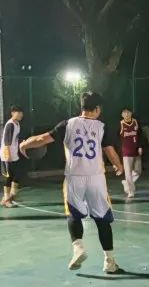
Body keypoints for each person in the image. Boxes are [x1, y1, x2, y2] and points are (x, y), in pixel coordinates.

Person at [19, 92, 125, 272]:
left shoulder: (67, 124)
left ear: (82, 107)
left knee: (74, 214)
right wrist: (119, 165)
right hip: (96, 178)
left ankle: (78, 247)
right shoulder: (101, 127)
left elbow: (42, 139)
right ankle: (109, 261)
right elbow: (109, 150)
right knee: (102, 219)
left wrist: (25, 144)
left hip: (75, 177)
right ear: (97, 109)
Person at [0, 105, 24, 207]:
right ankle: (6, 200)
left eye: (21, 113)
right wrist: (8, 156)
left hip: (14, 154)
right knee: (9, 177)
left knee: (16, 175)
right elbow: (7, 142)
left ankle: (10, 197)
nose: (21, 115)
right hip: (7, 155)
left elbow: (15, 140)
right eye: (19, 113)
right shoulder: (10, 125)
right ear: (13, 113)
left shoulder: (17, 124)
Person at [119, 107, 143, 199]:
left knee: (138, 171)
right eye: (124, 112)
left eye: (128, 112)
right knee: (128, 173)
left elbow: (140, 135)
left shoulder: (136, 122)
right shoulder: (120, 124)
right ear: (122, 115)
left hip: (136, 151)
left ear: (131, 113)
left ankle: (126, 183)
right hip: (126, 152)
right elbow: (117, 138)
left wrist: (140, 146)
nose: (126, 114)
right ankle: (131, 191)